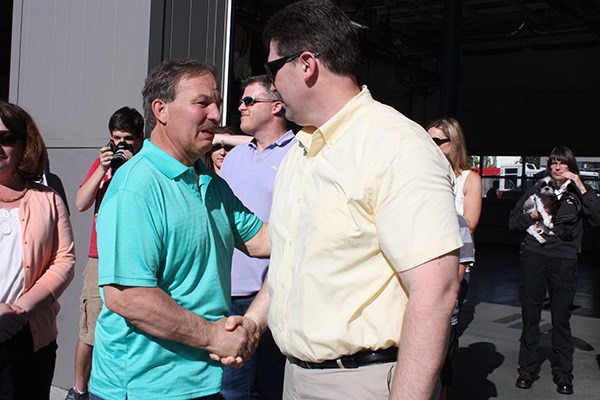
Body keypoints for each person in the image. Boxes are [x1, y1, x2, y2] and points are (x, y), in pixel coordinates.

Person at [216, 2, 463, 399]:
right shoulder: (301, 150)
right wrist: (253, 323)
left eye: (274, 68)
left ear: (307, 64)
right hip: (296, 378)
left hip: (362, 383)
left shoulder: (397, 147)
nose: (273, 85)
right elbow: (288, 261)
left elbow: (436, 292)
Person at [89, 59, 271, 400]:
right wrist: (216, 337)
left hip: (203, 382)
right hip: (145, 389)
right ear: (161, 109)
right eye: (202, 103)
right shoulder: (136, 187)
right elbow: (128, 296)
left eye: (217, 104)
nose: (216, 114)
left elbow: (262, 239)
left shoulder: (210, 183)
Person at [219, 75, 296, 400]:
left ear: (277, 106)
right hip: (227, 295)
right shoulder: (234, 157)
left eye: (249, 100)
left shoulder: (300, 154)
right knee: (232, 392)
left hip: (275, 297)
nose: (240, 106)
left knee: (271, 389)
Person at [65, 106, 144, 400]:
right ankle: (79, 389)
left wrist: (134, 164)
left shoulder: (145, 164)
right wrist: (101, 168)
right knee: (91, 329)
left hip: (134, 258)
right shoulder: (102, 165)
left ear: (140, 138)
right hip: (100, 257)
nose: (121, 145)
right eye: (116, 138)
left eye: (127, 139)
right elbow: (81, 203)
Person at [509, 145, 600, 396]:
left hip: (564, 262)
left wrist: (580, 185)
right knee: (530, 318)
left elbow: (598, 218)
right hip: (534, 257)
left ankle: (564, 375)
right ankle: (526, 371)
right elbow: (514, 220)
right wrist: (534, 215)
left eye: (563, 163)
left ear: (571, 167)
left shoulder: (578, 194)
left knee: (560, 320)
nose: (557, 167)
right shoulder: (538, 188)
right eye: (553, 163)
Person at [0, 101, 75, 399]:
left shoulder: (49, 199)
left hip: (31, 336)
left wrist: (20, 310)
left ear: (24, 143)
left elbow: (64, 261)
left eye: (7, 139)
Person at [439, 214, 474, 400]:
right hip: (403, 317)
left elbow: (460, 273)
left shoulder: (457, 222)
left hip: (443, 318)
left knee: (442, 378)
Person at [427, 118, 482, 234]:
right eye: (427, 141)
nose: (431, 146)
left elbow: (470, 225)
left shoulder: (470, 179)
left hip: (456, 248)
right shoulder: (424, 175)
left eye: (436, 141)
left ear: (455, 142)